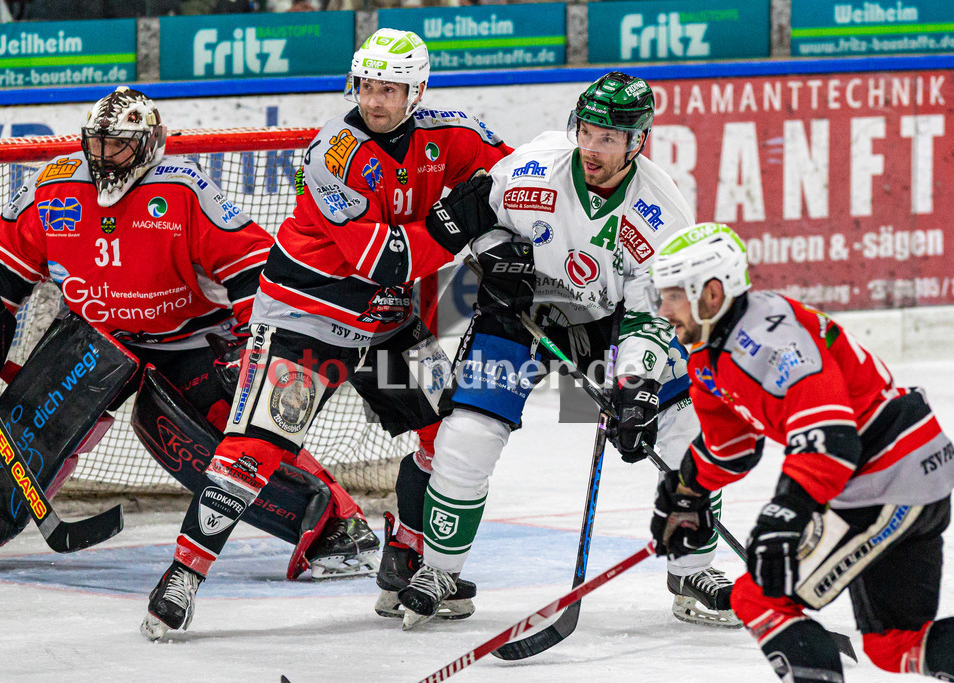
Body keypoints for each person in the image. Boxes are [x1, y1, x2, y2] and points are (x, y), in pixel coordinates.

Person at [143, 27, 513, 638]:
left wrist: (508, 240)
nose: (375, 99)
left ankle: (407, 556)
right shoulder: (333, 153)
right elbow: (386, 259)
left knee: (450, 435)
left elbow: (520, 181)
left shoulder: (453, 133)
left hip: (387, 322)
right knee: (255, 450)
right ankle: (184, 572)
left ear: (416, 90)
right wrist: (459, 219)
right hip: (307, 319)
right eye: (368, 84)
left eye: (391, 88)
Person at [0, 85, 374, 621]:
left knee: (208, 433)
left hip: (190, 341)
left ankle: (338, 526)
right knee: (35, 419)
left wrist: (252, 347)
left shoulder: (182, 191)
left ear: (150, 143)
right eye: (98, 144)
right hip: (97, 336)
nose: (105, 157)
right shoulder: (52, 188)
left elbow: (253, 270)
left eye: (120, 146)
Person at [397, 71, 739, 630]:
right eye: (587, 131)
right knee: (468, 435)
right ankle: (440, 573)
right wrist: (496, 257)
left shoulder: (664, 213)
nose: (592, 147)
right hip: (522, 316)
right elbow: (473, 214)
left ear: (636, 142)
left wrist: (635, 392)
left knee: (686, 426)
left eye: (608, 138)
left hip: (609, 327)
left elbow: (649, 317)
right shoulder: (534, 168)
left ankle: (692, 570)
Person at [647, 222, 954, 681]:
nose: (662, 307)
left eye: (673, 295)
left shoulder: (772, 338)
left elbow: (829, 441)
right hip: (902, 469)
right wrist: (689, 490)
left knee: (757, 596)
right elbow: (730, 446)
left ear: (711, 293)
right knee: (897, 645)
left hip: (887, 475)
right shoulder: (709, 351)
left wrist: (784, 517)